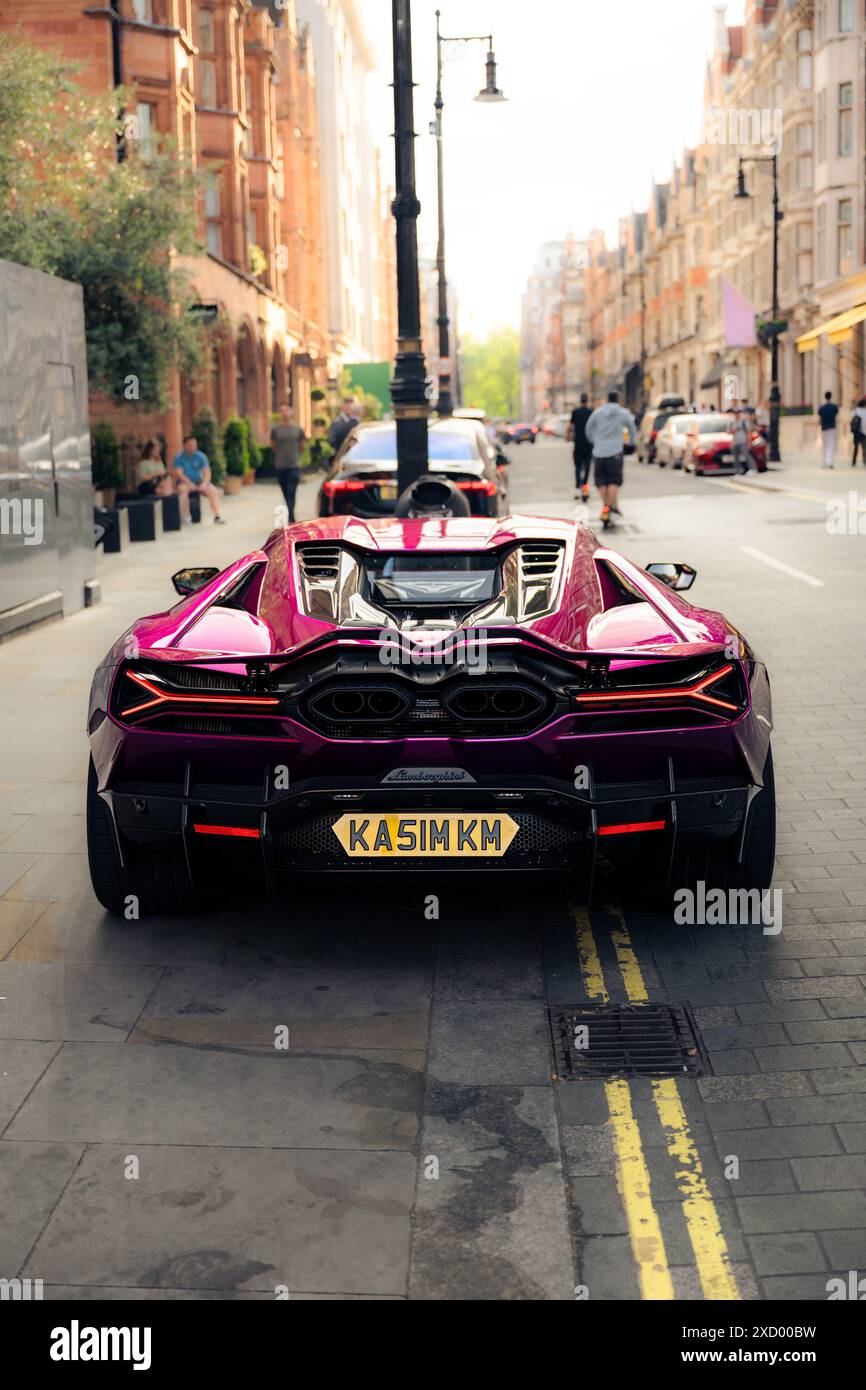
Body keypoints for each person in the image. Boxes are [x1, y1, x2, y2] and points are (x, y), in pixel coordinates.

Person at [585, 390, 636, 525]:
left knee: (601, 482)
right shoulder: (623, 413)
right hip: (615, 452)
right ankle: (608, 508)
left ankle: (606, 508)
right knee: (614, 481)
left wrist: (594, 441)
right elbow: (632, 428)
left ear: (607, 399)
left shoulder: (597, 412)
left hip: (599, 452)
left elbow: (588, 429)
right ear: (617, 399)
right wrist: (631, 442)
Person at [172, 434, 224, 524]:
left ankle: (217, 516)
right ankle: (186, 517)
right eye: (191, 445)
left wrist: (204, 483)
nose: (193, 447)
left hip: (199, 481)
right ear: (185, 445)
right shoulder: (178, 458)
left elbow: (207, 472)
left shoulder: (201, 456)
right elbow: (179, 474)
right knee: (183, 490)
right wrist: (189, 483)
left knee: (212, 490)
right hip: (185, 482)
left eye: (195, 444)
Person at [270, 403, 307, 522]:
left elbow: (302, 447)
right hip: (281, 466)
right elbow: (273, 446)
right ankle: (290, 514)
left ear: (291, 412)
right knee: (285, 492)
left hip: (294, 465)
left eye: (287, 410)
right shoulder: (276, 430)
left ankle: (290, 516)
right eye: (282, 410)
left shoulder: (298, 430)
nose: (284, 412)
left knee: (292, 491)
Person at [567, 393, 593, 501]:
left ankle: (577, 489)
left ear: (580, 401)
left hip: (578, 443)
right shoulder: (591, 412)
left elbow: (570, 427)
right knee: (587, 466)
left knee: (578, 467)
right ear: (587, 401)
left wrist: (567, 436)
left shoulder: (575, 412)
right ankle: (585, 488)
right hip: (588, 443)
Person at [818, 390, 839, 468]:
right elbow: (837, 417)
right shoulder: (834, 407)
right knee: (831, 445)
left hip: (824, 428)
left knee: (824, 446)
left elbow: (819, 419)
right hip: (832, 428)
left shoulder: (822, 408)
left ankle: (824, 462)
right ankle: (830, 462)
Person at [730, 409, 753, 475]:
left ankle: (753, 469)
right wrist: (733, 430)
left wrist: (749, 442)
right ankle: (737, 472)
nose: (736, 415)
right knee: (736, 458)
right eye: (735, 413)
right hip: (735, 443)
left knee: (747, 456)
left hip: (743, 442)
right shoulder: (732, 423)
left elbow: (749, 432)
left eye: (738, 413)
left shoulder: (743, 422)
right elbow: (728, 432)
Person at [850, 397, 866, 467]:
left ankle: (854, 461)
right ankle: (864, 461)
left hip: (857, 432)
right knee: (864, 447)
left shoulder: (856, 411)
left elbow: (852, 418)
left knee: (856, 447)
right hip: (864, 432)